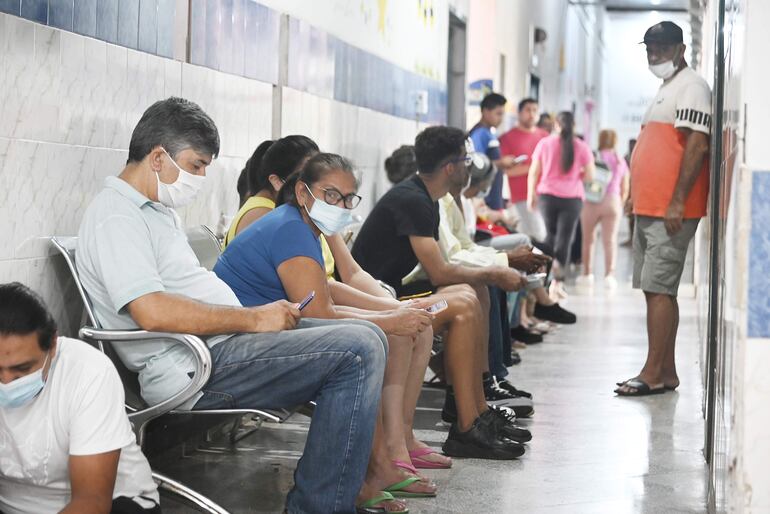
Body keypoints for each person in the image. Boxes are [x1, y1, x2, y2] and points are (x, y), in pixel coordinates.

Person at [75, 97, 388, 514]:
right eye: (196, 165)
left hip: (221, 345)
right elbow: (151, 311)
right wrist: (253, 318)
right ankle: (321, 507)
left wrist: (256, 319)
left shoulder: (155, 212)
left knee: (370, 336)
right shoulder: (118, 217)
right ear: (157, 157)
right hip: (193, 363)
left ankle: (330, 498)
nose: (201, 177)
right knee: (357, 350)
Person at [214, 154, 440, 502]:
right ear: (303, 193)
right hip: (242, 346)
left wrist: (393, 309)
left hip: (263, 333)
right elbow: (320, 312)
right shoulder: (291, 229)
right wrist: (391, 319)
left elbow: (322, 291)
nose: (341, 205)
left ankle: (385, 457)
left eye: (349, 198)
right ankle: (364, 474)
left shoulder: (301, 225)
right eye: (331, 195)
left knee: (388, 331)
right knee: (369, 342)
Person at [354, 126, 532, 460]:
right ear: (450, 167)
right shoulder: (413, 200)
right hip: (380, 301)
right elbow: (439, 272)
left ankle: (476, 410)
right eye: (465, 160)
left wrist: (489, 274)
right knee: (463, 302)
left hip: (396, 290)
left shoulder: (427, 197)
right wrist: (496, 271)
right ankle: (466, 426)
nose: (470, 166)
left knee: (473, 288)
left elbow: (443, 268)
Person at [0, 282, 160, 514]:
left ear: (52, 346)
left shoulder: (88, 372)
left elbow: (92, 502)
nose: (6, 382)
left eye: (22, 369)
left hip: (111, 504)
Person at [615, 21, 711, 396]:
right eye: (649, 48)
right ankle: (665, 371)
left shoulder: (692, 87)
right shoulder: (667, 88)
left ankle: (652, 372)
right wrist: (634, 196)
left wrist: (676, 200)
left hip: (671, 210)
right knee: (657, 291)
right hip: (650, 207)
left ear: (681, 48)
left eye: (661, 47)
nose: (654, 54)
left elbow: (697, 146)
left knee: (658, 289)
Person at [527, 111, 595, 294]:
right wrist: (577, 175)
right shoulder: (581, 146)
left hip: (547, 196)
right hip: (572, 198)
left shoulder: (545, 144)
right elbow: (590, 176)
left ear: (556, 125)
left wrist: (530, 195)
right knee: (565, 239)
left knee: (549, 236)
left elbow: (534, 172)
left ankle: (546, 279)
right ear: (573, 126)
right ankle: (559, 282)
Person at [224, 136, 317, 247]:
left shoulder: (276, 209)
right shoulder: (265, 215)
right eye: (308, 177)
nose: (317, 184)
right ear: (277, 181)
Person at [576, 129, 629, 290]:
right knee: (610, 241)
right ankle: (609, 276)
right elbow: (625, 188)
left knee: (588, 240)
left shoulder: (592, 157)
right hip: (612, 201)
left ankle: (587, 275)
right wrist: (619, 203)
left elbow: (582, 178)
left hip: (591, 201)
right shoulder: (620, 161)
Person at [499, 98, 550, 242]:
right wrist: (534, 168)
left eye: (535, 110)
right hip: (521, 195)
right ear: (519, 113)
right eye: (528, 110)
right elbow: (507, 171)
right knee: (536, 235)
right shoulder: (507, 138)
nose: (532, 114)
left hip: (545, 195)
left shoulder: (545, 137)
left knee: (542, 235)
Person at [468, 93, 517, 213]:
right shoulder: (479, 134)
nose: (501, 118)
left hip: (494, 193)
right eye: (498, 113)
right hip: (484, 197)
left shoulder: (490, 133)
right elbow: (476, 165)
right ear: (485, 111)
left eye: (502, 114)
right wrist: (501, 163)